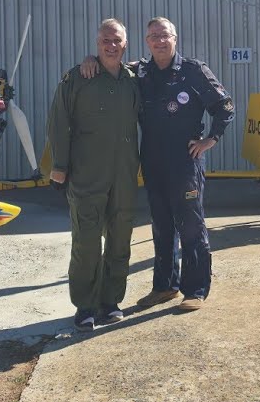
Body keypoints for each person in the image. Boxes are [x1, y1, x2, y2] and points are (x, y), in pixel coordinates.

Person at [81, 17, 234, 311]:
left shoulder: (193, 71)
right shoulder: (139, 72)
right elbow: (110, 66)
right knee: (162, 226)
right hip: (152, 160)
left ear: (174, 38)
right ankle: (165, 287)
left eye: (164, 36)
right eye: (153, 37)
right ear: (147, 42)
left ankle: (196, 289)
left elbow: (224, 105)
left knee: (190, 225)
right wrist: (91, 59)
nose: (159, 41)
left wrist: (210, 140)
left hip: (185, 162)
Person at [47, 19, 141, 331]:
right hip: (87, 174)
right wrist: (59, 166)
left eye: (116, 41)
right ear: (96, 44)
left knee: (120, 240)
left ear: (125, 45)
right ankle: (85, 305)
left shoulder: (133, 79)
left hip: (124, 175)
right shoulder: (78, 77)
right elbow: (59, 122)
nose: (111, 46)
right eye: (105, 41)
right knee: (86, 243)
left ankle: (111, 302)